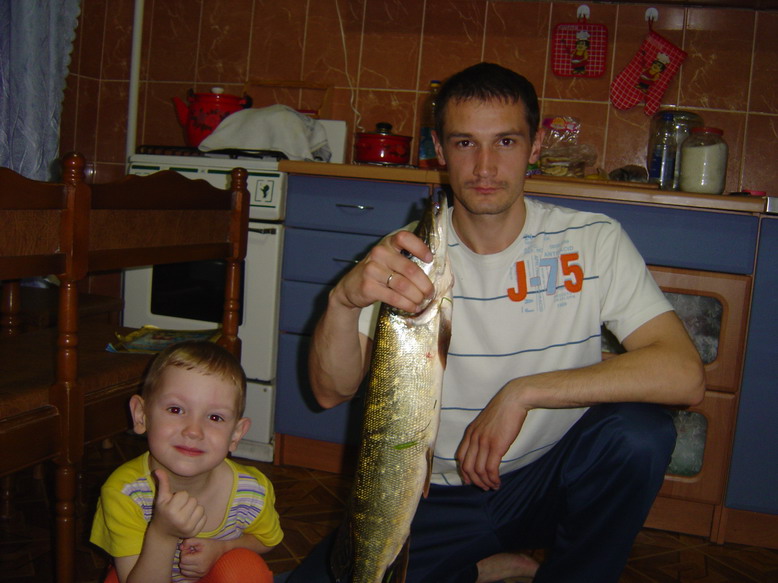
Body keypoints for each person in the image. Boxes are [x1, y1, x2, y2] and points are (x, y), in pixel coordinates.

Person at [285, 62, 705, 583]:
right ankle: (484, 566)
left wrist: (522, 392)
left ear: (535, 145)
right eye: (465, 143)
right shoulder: (405, 257)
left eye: (505, 142)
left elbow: (684, 374)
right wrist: (343, 302)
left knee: (639, 435)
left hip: (550, 481)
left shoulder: (594, 240)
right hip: (437, 494)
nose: (484, 167)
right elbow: (330, 391)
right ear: (440, 150)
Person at [91, 341, 283, 583]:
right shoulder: (125, 493)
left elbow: (267, 539)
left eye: (215, 417)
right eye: (176, 410)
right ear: (141, 415)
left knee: (246, 569)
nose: (193, 431)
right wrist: (162, 533)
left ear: (235, 434)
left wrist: (222, 549)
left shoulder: (252, 492)